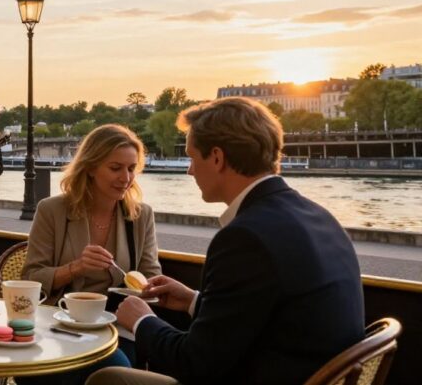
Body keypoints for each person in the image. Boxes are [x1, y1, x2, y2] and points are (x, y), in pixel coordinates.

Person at [89, 97, 365, 385]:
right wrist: (195, 302)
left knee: (108, 378)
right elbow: (267, 317)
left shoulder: (244, 238)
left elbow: (194, 363)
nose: (190, 170)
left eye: (193, 158)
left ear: (217, 158)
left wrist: (142, 320)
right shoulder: (320, 216)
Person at [17, 124, 160, 384]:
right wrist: (76, 267)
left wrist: (146, 288)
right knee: (110, 370)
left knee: (118, 370)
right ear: (91, 167)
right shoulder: (52, 210)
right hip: (59, 325)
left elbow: (150, 276)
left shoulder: (140, 216)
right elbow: (31, 278)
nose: (126, 178)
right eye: (115, 168)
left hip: (116, 327)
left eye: (131, 168)